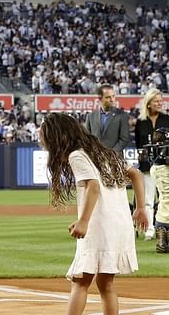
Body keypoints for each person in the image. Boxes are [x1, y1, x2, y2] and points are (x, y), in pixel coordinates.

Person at [40, 113, 148, 315]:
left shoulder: (76, 155)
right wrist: (141, 208)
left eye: (45, 134)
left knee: (80, 281)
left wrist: (83, 221)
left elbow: (93, 186)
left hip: (99, 228)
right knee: (106, 283)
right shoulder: (102, 152)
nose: (42, 138)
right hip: (118, 225)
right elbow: (136, 174)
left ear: (58, 135)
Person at [134, 89, 169, 241]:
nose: (159, 103)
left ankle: (166, 227)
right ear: (149, 103)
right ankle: (149, 229)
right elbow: (138, 144)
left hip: (166, 165)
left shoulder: (167, 120)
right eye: (156, 101)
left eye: (160, 101)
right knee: (148, 199)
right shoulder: (141, 122)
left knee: (166, 198)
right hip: (147, 166)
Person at [84, 84, 130, 159]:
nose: (112, 99)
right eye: (108, 97)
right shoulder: (90, 116)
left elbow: (124, 139)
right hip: (95, 158)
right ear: (100, 98)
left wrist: (110, 154)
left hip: (115, 159)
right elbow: (87, 138)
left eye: (113, 96)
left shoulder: (122, 115)